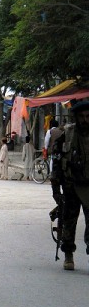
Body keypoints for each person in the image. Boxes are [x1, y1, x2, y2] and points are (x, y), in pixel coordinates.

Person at [52, 101, 89, 270]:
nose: (85, 120)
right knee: (68, 222)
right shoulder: (66, 134)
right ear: (75, 117)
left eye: (88, 116)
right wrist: (55, 189)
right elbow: (57, 162)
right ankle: (68, 254)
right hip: (71, 185)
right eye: (81, 116)